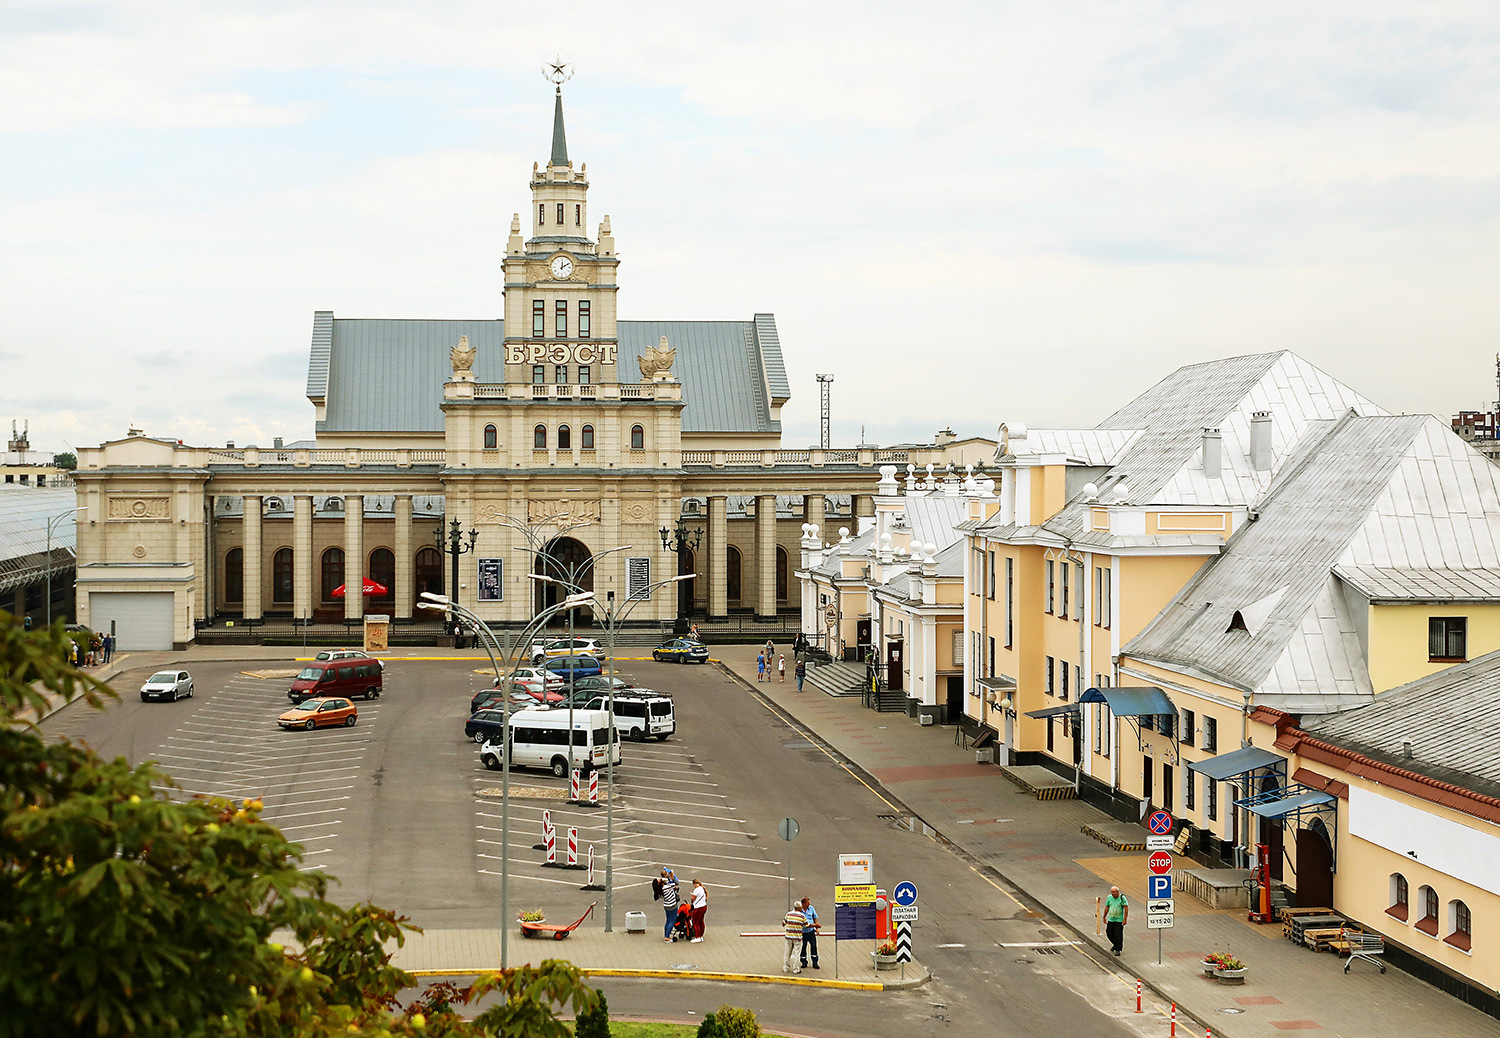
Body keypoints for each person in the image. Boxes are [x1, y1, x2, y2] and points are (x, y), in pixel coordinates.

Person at [782, 900, 807, 973]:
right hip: (797, 937)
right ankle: (796, 969)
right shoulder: (802, 916)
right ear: (799, 908)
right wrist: (816, 925)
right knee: (797, 953)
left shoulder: (788, 914)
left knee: (787, 953)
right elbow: (807, 925)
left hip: (789, 936)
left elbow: (783, 923)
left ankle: (785, 968)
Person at [1103, 884, 1129, 955]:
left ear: (1117, 892)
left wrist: (1125, 919)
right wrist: (1104, 916)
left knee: (1118, 935)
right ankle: (1115, 945)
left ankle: (1118, 949)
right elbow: (1107, 907)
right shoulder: (1109, 897)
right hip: (1111, 919)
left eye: (1113, 892)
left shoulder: (1122, 898)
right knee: (1109, 933)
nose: (1112, 893)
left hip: (1119, 920)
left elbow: (1126, 908)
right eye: (1111, 892)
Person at [799, 896, 821, 969]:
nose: (809, 904)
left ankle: (815, 962)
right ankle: (803, 962)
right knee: (803, 947)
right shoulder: (799, 910)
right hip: (803, 932)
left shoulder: (811, 908)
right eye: (807, 903)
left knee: (813, 946)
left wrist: (816, 928)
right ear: (803, 903)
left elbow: (815, 917)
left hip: (811, 932)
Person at [660, 868, 680, 942]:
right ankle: (667, 937)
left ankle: (666, 934)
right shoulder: (669, 886)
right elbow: (676, 883)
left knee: (668, 920)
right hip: (672, 905)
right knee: (672, 921)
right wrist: (672, 875)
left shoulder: (662, 887)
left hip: (666, 905)